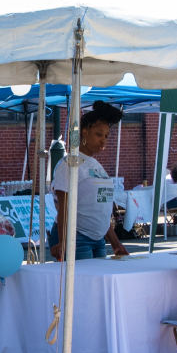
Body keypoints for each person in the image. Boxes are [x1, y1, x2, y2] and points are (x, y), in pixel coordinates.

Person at [49, 101, 129, 261]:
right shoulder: (69, 164)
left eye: (106, 136)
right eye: (99, 134)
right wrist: (63, 241)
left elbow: (101, 209)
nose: (103, 140)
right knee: (82, 285)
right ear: (84, 132)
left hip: (99, 240)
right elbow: (63, 208)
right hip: (76, 239)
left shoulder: (96, 165)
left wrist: (115, 243)